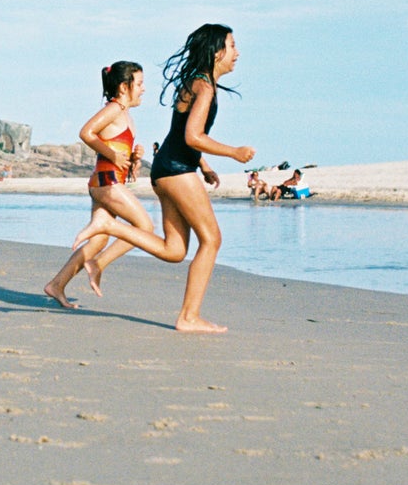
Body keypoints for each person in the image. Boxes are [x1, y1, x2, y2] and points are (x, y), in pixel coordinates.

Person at [72, 25, 255, 332]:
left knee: (175, 250)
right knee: (212, 240)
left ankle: (109, 230)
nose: (237, 53)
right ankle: (189, 317)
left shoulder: (197, 82)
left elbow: (182, 136)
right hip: (176, 171)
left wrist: (205, 165)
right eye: (232, 46)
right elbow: (193, 135)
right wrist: (233, 152)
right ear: (216, 52)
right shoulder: (204, 87)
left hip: (168, 168)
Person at [43, 61, 150, 308]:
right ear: (124, 87)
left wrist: (133, 160)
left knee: (99, 240)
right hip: (106, 183)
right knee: (144, 227)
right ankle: (98, 264)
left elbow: (114, 147)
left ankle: (56, 285)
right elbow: (86, 132)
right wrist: (113, 156)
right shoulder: (114, 108)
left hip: (108, 181)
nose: (144, 89)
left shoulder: (125, 114)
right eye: (140, 83)